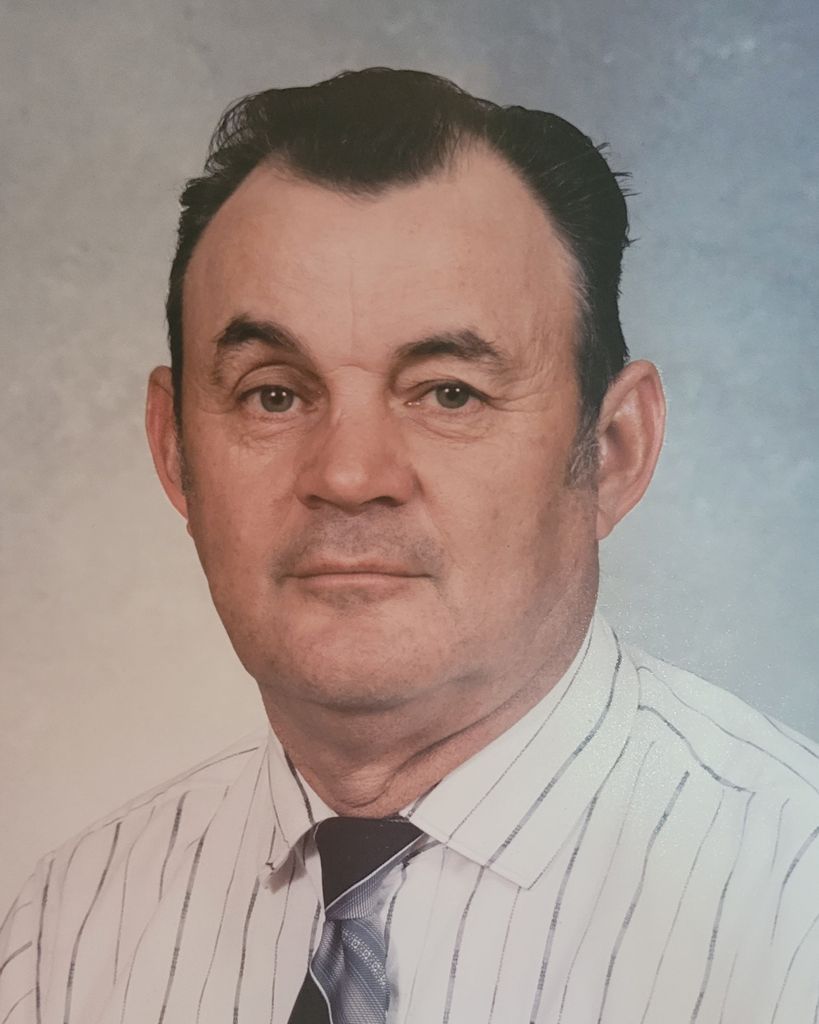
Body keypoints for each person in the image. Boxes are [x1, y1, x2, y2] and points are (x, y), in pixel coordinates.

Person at [1, 67, 817, 1024]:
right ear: (176, 453)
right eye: (274, 393)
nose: (349, 475)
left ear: (612, 451)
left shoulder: (793, 906)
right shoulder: (66, 935)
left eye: (448, 393)